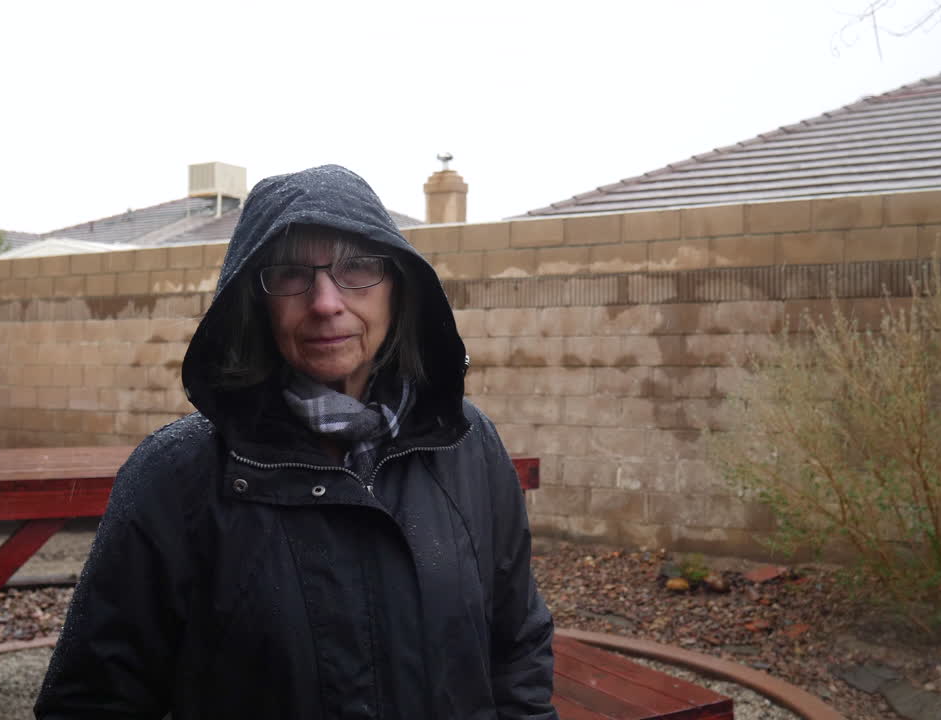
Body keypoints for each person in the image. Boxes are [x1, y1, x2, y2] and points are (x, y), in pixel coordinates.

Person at [34, 165, 557, 719]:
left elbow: (516, 643)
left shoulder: (468, 443)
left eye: (357, 268)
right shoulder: (176, 477)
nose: (326, 302)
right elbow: (94, 700)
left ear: (399, 289)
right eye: (290, 274)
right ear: (253, 300)